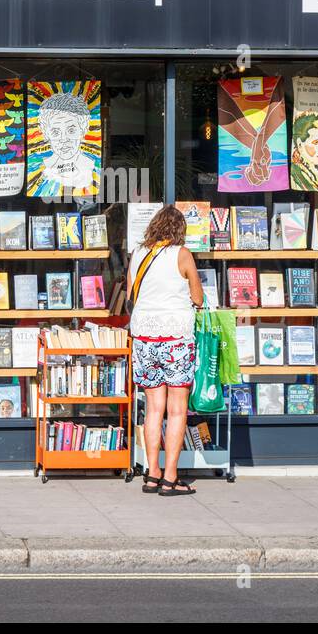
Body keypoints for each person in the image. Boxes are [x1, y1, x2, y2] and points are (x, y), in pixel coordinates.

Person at [126, 205, 204, 496]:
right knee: (177, 409)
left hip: (145, 337)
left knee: (153, 409)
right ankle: (171, 476)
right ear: (180, 230)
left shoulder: (138, 254)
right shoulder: (182, 254)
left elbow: (133, 290)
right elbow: (197, 297)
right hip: (176, 339)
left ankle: (151, 472)